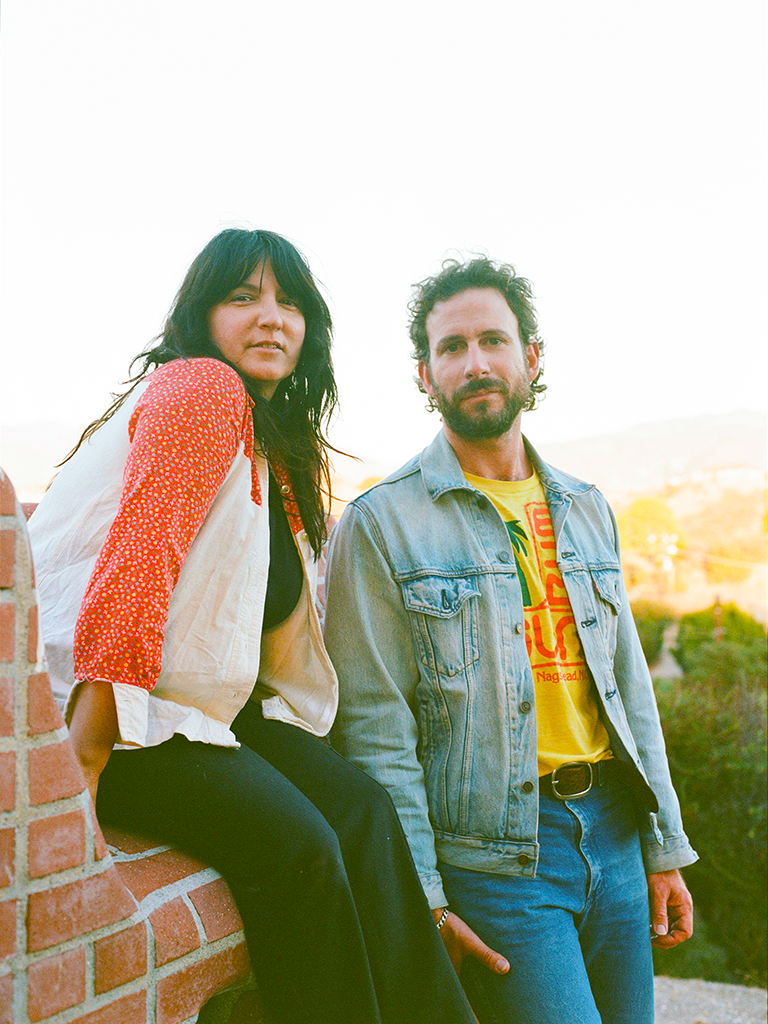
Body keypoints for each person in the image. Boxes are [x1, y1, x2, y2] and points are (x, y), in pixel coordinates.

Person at [28, 229, 476, 1024]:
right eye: (244, 297)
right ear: (202, 316)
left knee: (363, 812)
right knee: (299, 849)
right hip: (105, 708)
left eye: (289, 302)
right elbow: (140, 562)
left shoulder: (271, 447)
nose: (272, 317)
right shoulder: (200, 389)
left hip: (194, 711)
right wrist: (83, 764)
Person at [323, 256, 697, 1024]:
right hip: (498, 864)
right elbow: (378, 730)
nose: (475, 363)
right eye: (451, 347)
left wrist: (665, 848)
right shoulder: (380, 524)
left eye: (493, 340)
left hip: (617, 835)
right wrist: (426, 898)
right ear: (425, 375)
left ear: (531, 357)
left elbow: (630, 690)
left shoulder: (587, 506)